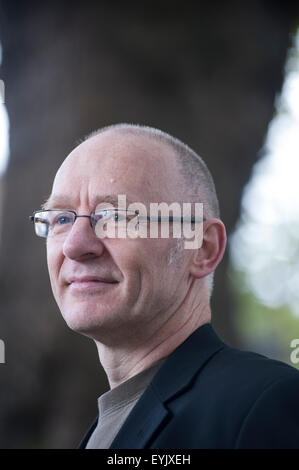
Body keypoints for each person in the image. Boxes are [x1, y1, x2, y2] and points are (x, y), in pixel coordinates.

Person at [30, 123, 299, 449]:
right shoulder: (106, 426)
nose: (75, 245)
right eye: (61, 218)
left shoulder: (266, 404)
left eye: (115, 216)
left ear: (202, 248)